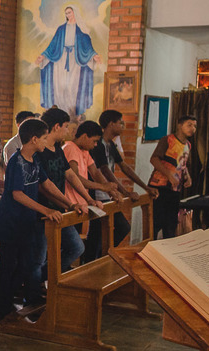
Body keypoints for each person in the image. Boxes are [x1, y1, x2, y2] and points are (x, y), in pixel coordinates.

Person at [0, 118, 61, 323]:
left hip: (25, 223)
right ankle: (2, 309)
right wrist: (45, 209)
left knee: (26, 266)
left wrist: (69, 204)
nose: (47, 141)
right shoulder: (17, 161)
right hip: (11, 223)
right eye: (44, 138)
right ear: (34, 139)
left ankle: (7, 302)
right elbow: (17, 194)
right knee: (8, 267)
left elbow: (47, 184)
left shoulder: (35, 159)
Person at [34, 107, 90, 272]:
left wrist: (89, 199)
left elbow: (70, 174)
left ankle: (45, 278)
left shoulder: (57, 149)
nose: (68, 131)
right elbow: (44, 186)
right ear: (57, 126)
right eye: (66, 126)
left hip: (59, 209)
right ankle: (35, 286)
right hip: (41, 211)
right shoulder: (39, 151)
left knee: (76, 247)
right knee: (39, 257)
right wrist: (70, 204)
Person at [91, 109, 152, 246]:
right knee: (99, 233)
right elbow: (105, 170)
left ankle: (103, 254)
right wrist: (124, 192)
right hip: (98, 193)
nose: (123, 126)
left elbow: (125, 167)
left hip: (108, 193)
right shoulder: (98, 143)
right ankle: (99, 256)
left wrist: (145, 187)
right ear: (111, 124)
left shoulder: (110, 144)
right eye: (121, 123)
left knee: (116, 229)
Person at [35, 4, 102, 119]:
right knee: (59, 86)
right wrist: (43, 55)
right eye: (66, 13)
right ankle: (60, 111)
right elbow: (53, 45)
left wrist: (93, 55)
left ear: (75, 13)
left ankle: (72, 113)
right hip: (60, 60)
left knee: (73, 85)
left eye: (70, 12)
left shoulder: (81, 29)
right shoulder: (61, 29)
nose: (68, 15)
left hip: (75, 60)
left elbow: (86, 45)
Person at [64, 121, 112, 261]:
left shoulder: (84, 151)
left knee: (75, 247)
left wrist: (110, 190)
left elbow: (95, 172)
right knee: (73, 247)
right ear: (85, 136)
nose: (96, 145)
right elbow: (74, 177)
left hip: (80, 203)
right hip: (70, 203)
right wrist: (103, 187)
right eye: (94, 141)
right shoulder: (70, 148)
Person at [148, 115, 196, 239]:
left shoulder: (188, 145)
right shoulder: (167, 140)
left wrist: (187, 176)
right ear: (180, 125)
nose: (193, 128)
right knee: (155, 222)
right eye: (189, 125)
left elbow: (182, 164)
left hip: (175, 189)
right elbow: (154, 159)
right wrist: (169, 175)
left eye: (194, 126)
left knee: (171, 224)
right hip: (159, 186)